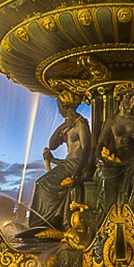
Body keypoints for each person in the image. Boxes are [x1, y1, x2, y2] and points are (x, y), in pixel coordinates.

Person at [93, 83, 134, 227]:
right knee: (104, 176)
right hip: (116, 161)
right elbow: (100, 144)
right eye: (129, 97)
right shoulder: (111, 121)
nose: (131, 102)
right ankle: (107, 219)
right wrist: (99, 157)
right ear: (120, 98)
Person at [28, 93, 91, 229]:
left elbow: (86, 149)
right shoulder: (68, 127)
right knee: (42, 183)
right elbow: (52, 145)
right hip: (68, 164)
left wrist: (78, 173)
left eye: (59, 107)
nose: (58, 110)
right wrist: (61, 128)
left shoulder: (81, 123)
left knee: (42, 184)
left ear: (65, 106)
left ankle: (42, 223)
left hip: (76, 165)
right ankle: (51, 220)